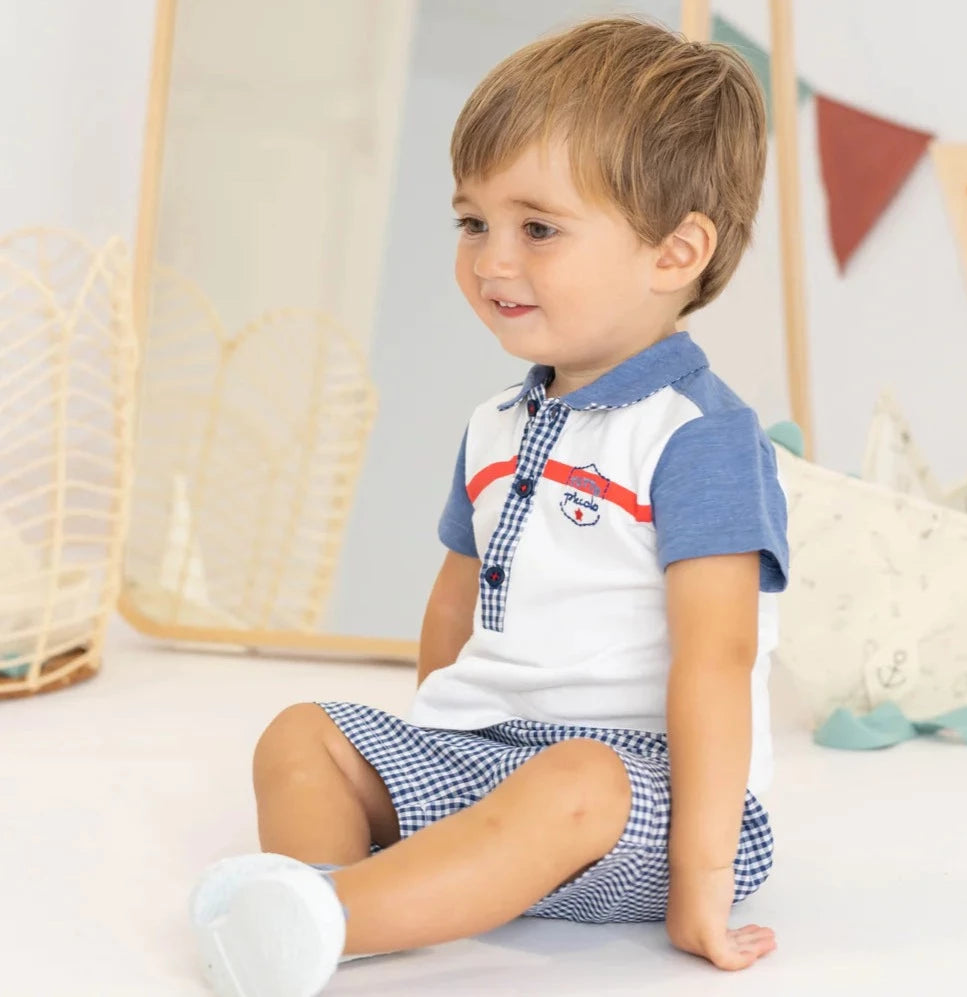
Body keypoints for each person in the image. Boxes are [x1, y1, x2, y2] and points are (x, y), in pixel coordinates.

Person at [189, 16, 789, 996]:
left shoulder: (696, 436)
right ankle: (316, 898)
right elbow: (451, 602)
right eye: (473, 222)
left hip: (643, 793)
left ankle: (330, 915)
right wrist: (434, 747)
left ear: (675, 251)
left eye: (537, 228)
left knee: (577, 779)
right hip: (490, 765)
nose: (490, 259)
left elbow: (718, 658)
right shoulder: (496, 424)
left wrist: (701, 874)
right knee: (302, 733)